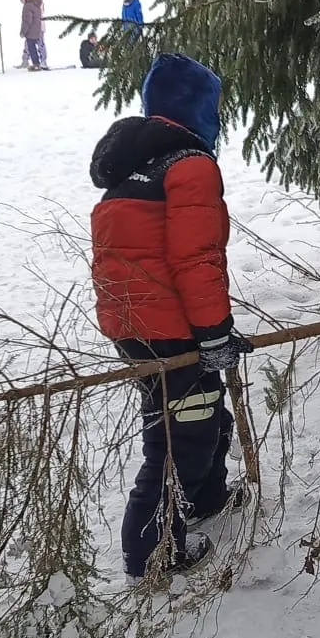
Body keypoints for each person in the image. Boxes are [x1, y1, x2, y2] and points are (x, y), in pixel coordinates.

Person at [89, 52, 251, 581]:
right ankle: (152, 556)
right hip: (175, 330)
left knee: (196, 416)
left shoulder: (132, 168)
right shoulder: (190, 166)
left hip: (136, 328)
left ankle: (204, 499)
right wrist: (214, 334)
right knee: (177, 441)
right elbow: (196, 260)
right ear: (200, 111)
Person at [19, 0, 47, 70]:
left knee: (35, 46)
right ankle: (32, 61)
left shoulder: (31, 5)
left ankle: (39, 63)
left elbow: (27, 20)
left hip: (34, 29)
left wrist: (23, 31)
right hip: (38, 27)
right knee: (32, 46)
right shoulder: (37, 2)